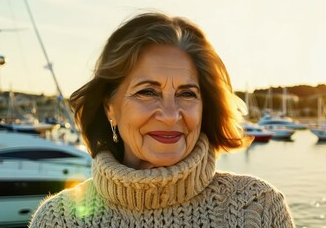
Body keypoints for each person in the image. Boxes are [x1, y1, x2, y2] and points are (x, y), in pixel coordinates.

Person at [29, 12, 295, 227]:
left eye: (187, 94)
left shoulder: (257, 207)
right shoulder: (58, 220)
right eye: (147, 92)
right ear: (110, 107)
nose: (170, 115)